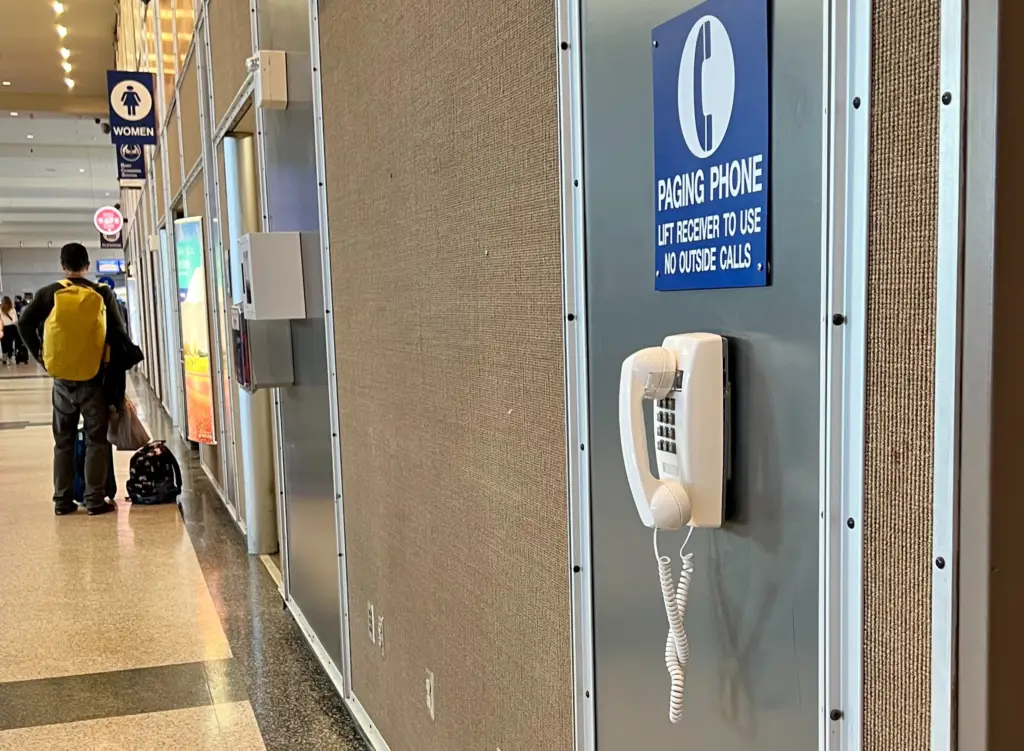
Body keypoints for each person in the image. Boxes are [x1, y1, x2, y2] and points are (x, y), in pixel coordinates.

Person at [19, 243, 132, 516]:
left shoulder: (49, 293)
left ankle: (62, 500)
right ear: (87, 265)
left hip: (62, 381)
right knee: (96, 440)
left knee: (63, 441)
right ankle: (94, 500)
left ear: (63, 266)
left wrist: (41, 357)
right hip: (94, 379)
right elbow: (119, 335)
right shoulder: (102, 293)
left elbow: (24, 324)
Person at [0, 297, 17, 365]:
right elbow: (15, 320)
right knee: (10, 343)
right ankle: (9, 359)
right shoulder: (13, 310)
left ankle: (4, 357)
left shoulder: (0, 310)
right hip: (11, 328)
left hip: (3, 328)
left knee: (3, 342)